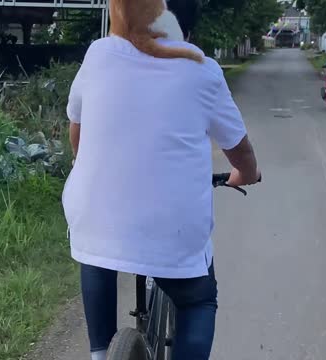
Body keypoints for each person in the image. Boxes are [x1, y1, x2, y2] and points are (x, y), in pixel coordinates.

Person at [62, 1, 261, 359]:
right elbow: (240, 150)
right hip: (172, 229)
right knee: (199, 299)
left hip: (94, 214)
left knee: (96, 252)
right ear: (187, 31)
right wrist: (246, 175)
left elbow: (77, 132)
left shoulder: (99, 53)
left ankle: (99, 353)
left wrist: (88, 164)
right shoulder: (202, 69)